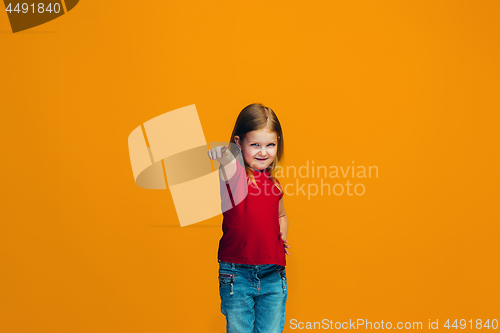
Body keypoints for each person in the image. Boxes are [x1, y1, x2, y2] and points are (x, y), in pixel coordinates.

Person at [207, 103, 290, 333]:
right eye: (255, 145)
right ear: (238, 143)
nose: (263, 152)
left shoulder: (274, 183)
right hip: (237, 274)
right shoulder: (234, 174)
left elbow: (281, 215)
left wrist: (281, 235)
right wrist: (222, 155)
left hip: (273, 274)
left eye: (270, 145)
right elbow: (225, 161)